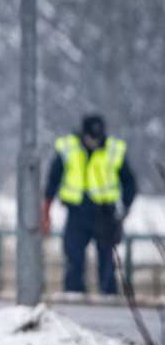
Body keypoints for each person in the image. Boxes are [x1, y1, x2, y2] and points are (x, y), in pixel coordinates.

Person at [40, 114, 136, 294]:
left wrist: (125, 208)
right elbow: (53, 179)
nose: (93, 141)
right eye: (90, 138)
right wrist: (47, 208)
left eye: (96, 138)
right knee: (73, 258)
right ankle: (73, 297)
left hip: (106, 212)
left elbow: (129, 182)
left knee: (107, 260)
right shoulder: (68, 148)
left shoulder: (114, 150)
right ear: (82, 134)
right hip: (77, 212)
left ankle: (108, 299)